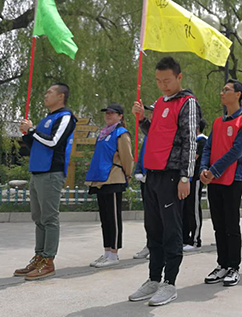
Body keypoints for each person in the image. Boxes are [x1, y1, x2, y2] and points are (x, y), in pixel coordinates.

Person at [129, 57, 201, 307]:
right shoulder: (160, 103)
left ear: (179, 77)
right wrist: (142, 119)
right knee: (153, 229)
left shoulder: (187, 103)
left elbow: (190, 141)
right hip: (153, 174)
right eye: (159, 81)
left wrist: (185, 176)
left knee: (171, 231)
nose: (163, 85)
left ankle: (169, 283)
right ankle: (153, 279)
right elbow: (157, 134)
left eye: (167, 80)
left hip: (172, 175)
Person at [14, 83, 77, 281]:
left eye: (50, 92)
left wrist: (32, 130)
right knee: (38, 218)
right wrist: (27, 134)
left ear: (61, 96)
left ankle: (48, 260)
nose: (45, 94)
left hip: (51, 173)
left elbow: (54, 142)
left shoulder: (65, 117)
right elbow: (36, 145)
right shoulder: (46, 119)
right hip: (37, 172)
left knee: (49, 218)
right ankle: (39, 256)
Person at [200, 79, 242, 287]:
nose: (222, 93)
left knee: (231, 224)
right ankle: (222, 264)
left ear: (238, 94)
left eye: (226, 90)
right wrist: (204, 168)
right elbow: (208, 148)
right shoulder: (217, 122)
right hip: (214, 180)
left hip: (232, 179)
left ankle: (233, 266)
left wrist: (213, 171)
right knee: (218, 225)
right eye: (222, 90)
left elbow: (237, 151)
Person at [85, 103, 133, 269]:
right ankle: (106, 252)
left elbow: (127, 157)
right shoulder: (103, 133)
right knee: (105, 218)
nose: (108, 115)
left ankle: (114, 253)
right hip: (100, 179)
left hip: (114, 177)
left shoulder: (121, 133)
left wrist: (128, 174)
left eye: (112, 113)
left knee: (113, 218)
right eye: (107, 113)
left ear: (120, 116)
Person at [182, 118, 208, 252]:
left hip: (196, 178)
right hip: (188, 179)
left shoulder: (202, 141)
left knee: (194, 208)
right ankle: (185, 238)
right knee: (186, 208)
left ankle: (196, 240)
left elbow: (193, 157)